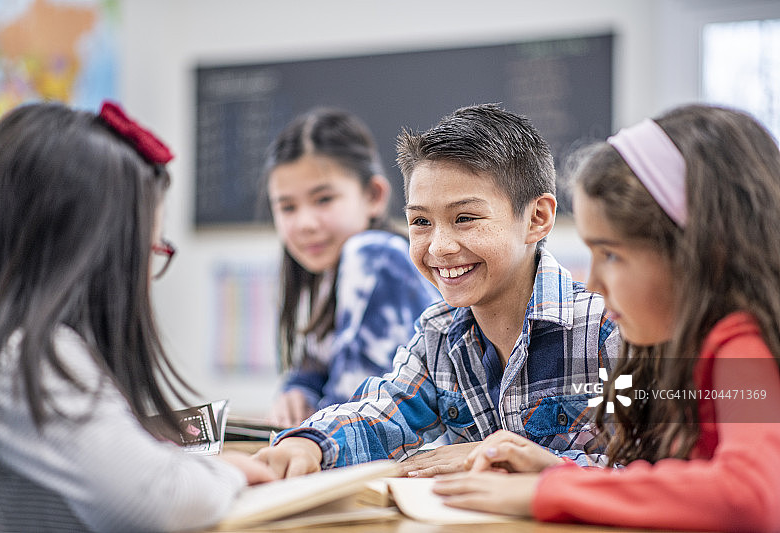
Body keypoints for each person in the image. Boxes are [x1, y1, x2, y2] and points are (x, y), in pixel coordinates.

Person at [433, 104, 780, 532]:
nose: (593, 282)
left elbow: (749, 498)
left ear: (698, 250)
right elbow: (684, 490)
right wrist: (558, 472)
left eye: (611, 254)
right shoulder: (694, 347)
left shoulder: (742, 346)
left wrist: (546, 493)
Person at [255, 103, 620, 478]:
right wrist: (310, 442)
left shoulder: (606, 331)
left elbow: (662, 473)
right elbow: (381, 412)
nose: (440, 246)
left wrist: (532, 463)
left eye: (465, 218)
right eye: (421, 222)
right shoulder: (439, 335)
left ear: (537, 218)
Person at [0, 101, 277, 532]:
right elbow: (157, 502)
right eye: (149, 250)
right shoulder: (33, 356)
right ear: (95, 250)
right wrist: (230, 472)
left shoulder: (5, 340)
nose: (146, 277)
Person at [264, 107, 441, 427]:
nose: (304, 223)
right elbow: (316, 369)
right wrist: (298, 392)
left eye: (324, 199)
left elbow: (353, 408)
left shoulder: (374, 255)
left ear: (374, 196)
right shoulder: (326, 275)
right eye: (287, 207)